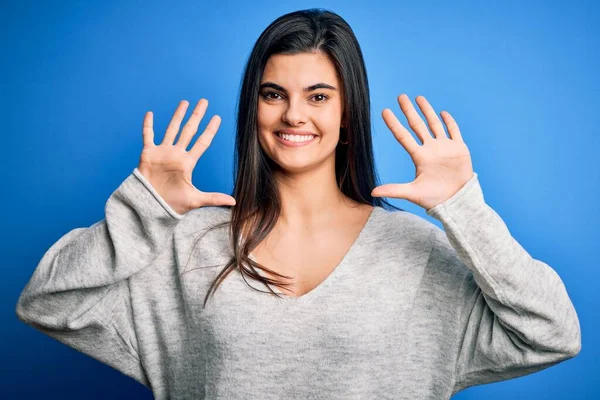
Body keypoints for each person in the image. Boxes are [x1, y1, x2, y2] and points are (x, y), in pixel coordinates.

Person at [15, 8, 581, 400]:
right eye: (273, 94)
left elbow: (553, 333)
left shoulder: (419, 250)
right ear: (253, 108)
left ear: (347, 112)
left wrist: (464, 207)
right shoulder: (187, 243)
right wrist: (145, 208)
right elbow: (46, 303)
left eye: (318, 96)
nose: (293, 116)